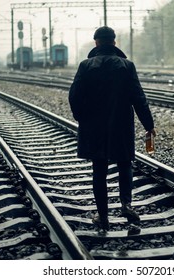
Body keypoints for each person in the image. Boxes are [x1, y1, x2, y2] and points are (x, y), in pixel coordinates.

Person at [68, 26, 156, 231]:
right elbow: (138, 98)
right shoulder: (127, 66)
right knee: (125, 164)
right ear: (114, 43)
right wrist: (149, 125)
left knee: (99, 170)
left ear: (96, 43)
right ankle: (126, 205)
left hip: (94, 127)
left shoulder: (85, 66)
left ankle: (103, 217)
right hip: (121, 125)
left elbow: (74, 96)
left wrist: (82, 118)